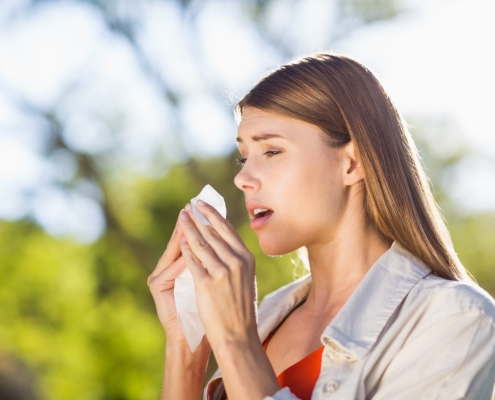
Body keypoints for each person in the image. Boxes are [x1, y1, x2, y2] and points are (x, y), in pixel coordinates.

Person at [147, 53, 495, 400]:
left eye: (271, 151)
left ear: (352, 163)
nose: (242, 179)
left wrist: (236, 342)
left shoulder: (455, 320)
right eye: (243, 157)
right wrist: (187, 349)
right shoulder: (266, 315)